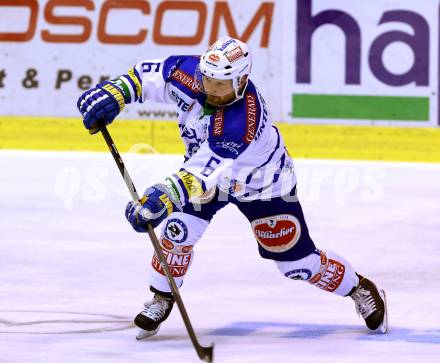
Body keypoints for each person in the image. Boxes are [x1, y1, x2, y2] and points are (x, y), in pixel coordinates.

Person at [77, 37, 388, 340]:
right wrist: (114, 93)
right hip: (206, 175)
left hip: (263, 185)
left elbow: (201, 175)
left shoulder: (241, 123)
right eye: (208, 79)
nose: (211, 89)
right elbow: (145, 77)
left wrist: (163, 197)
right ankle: (162, 297)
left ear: (241, 81)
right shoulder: (189, 73)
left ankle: (358, 287)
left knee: (294, 264)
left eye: (221, 84)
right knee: (177, 233)